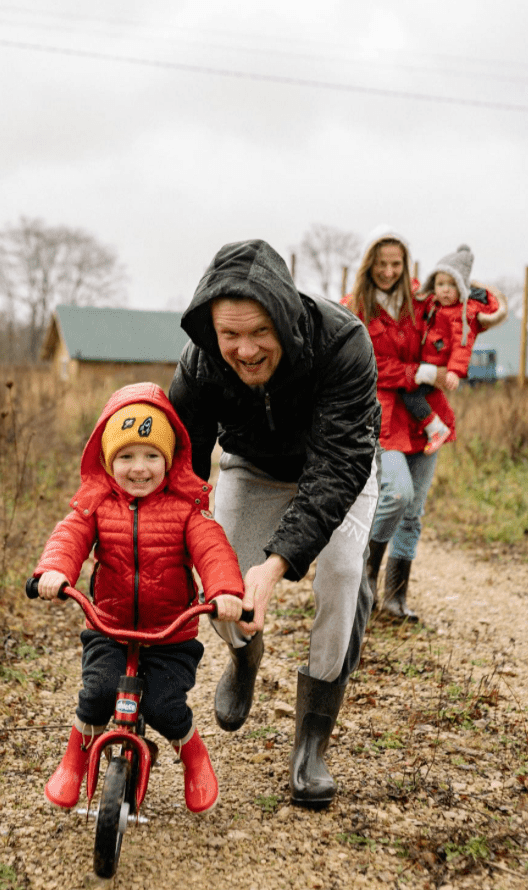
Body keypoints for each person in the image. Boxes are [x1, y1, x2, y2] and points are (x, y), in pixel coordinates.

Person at [168, 238, 381, 810]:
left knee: (339, 574)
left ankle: (312, 742)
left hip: (338, 468)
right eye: (229, 335)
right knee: (223, 580)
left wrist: (278, 561)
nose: (244, 349)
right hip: (252, 466)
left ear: (284, 317)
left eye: (259, 331)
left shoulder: (343, 344)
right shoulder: (201, 361)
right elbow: (182, 467)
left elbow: (339, 466)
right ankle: (243, 657)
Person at [32, 381, 245, 815]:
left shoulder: (187, 508)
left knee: (165, 705)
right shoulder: (97, 506)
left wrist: (224, 592)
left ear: (169, 460)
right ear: (109, 462)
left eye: (151, 455)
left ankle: (193, 755)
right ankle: (74, 758)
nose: (139, 468)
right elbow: (70, 536)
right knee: (96, 693)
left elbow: (212, 548)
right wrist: (54, 572)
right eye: (126, 456)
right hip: (109, 627)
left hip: (170, 633)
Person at [344, 229, 505, 621]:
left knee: (414, 511)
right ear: (370, 264)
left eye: (395, 263)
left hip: (427, 416)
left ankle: (395, 597)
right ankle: (363, 575)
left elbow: (476, 308)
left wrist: (468, 281)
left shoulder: (421, 298)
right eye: (381, 263)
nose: (388, 271)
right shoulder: (354, 307)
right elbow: (369, 367)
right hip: (383, 415)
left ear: (405, 266)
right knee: (396, 494)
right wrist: (421, 372)